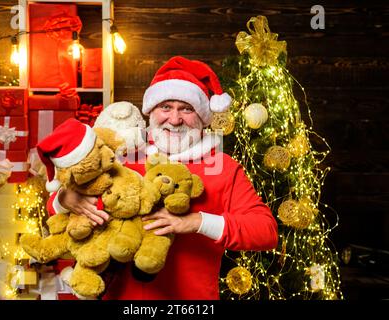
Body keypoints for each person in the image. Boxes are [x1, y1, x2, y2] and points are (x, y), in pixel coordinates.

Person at [46, 56, 278, 300]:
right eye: (165, 107)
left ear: (202, 117)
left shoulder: (223, 168)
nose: (175, 120)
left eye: (187, 109)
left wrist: (196, 221)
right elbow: (53, 208)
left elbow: (266, 231)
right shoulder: (123, 156)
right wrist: (64, 198)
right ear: (150, 111)